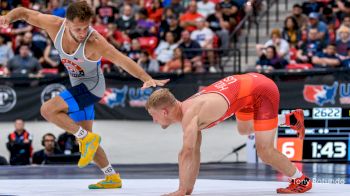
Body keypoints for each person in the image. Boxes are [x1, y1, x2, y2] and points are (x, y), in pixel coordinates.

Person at [0, 1, 169, 189]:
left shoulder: (95, 41)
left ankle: (85, 138)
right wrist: (8, 18)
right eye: (78, 29)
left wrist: (145, 77)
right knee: (87, 138)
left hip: (92, 88)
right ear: (67, 22)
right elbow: (23, 12)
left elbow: (122, 60)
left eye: (86, 27)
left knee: (47, 110)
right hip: (78, 85)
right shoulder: (54, 25)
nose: (83, 33)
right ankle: (111, 177)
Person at [145, 73, 312, 195]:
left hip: (261, 90)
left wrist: (181, 190)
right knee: (244, 130)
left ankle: (301, 181)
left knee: (264, 151)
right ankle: (288, 119)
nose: (154, 121)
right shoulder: (188, 113)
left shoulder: (190, 115)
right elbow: (194, 152)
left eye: (153, 115)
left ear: (165, 111)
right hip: (247, 88)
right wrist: (187, 189)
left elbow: (186, 153)